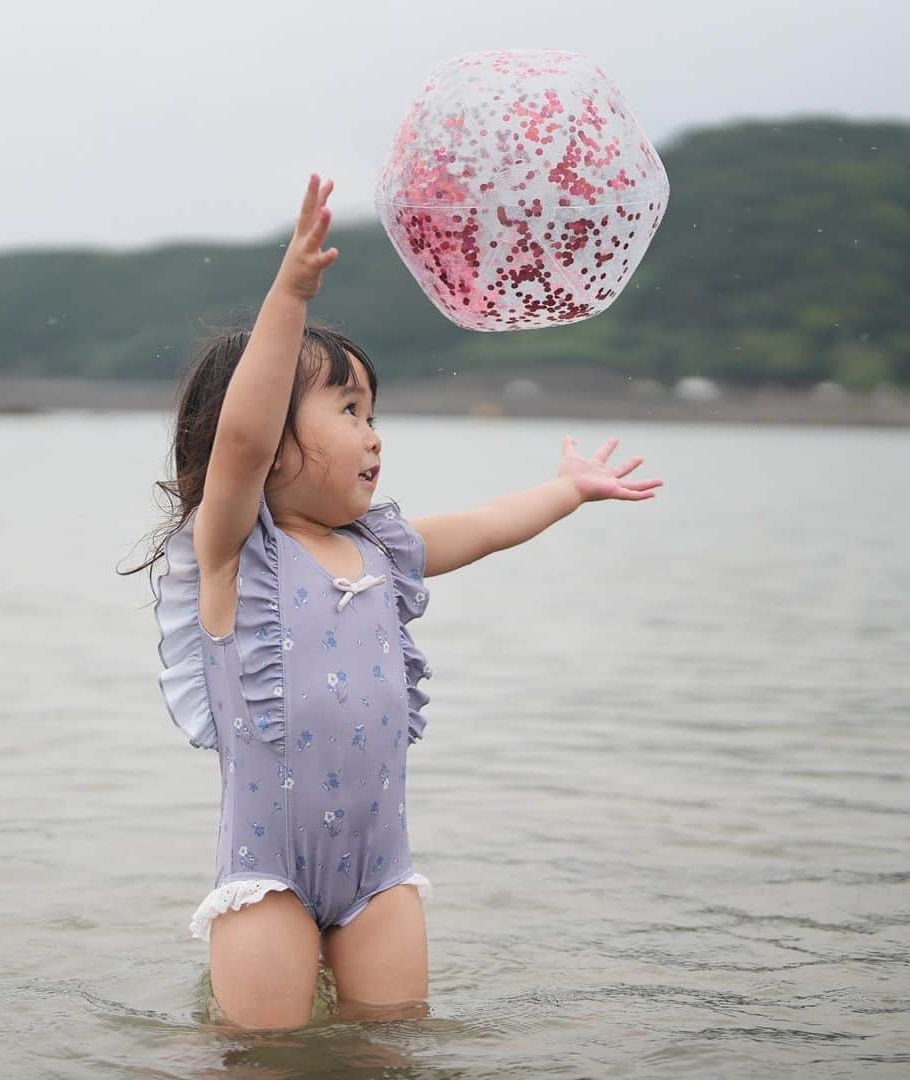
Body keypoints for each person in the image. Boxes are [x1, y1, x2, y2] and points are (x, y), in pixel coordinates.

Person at [133, 174, 663, 1031]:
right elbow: (240, 437)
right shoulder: (235, 551)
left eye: (373, 411)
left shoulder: (382, 547)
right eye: (347, 409)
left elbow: (486, 526)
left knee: (395, 1043)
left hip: (380, 874)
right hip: (268, 873)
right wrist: (290, 297)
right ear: (274, 446)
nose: (373, 432)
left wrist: (566, 491)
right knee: (260, 1055)